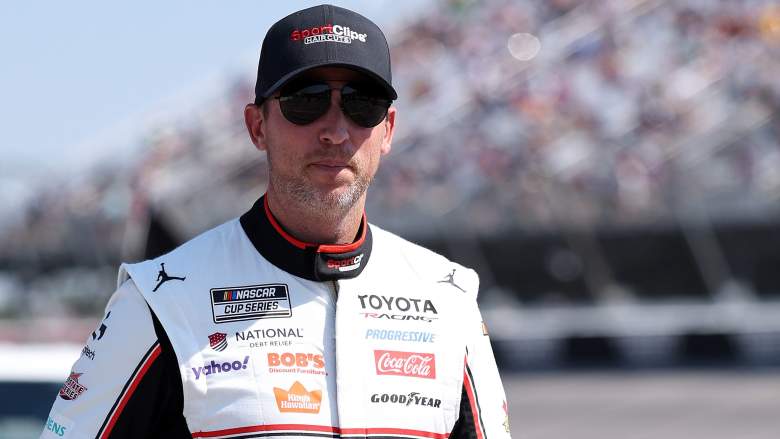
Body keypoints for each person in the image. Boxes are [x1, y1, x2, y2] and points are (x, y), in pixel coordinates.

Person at [41, 5, 511, 439]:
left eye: (361, 104)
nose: (336, 131)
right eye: (306, 101)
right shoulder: (160, 300)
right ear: (257, 127)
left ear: (387, 129)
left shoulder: (449, 299)